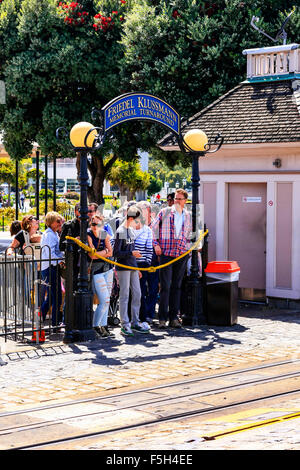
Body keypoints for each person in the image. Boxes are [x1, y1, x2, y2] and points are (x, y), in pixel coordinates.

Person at [152, 188, 192, 329]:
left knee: (177, 286)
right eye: (175, 198)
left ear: (185, 201)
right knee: (165, 287)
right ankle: (162, 318)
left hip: (181, 254)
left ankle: (174, 318)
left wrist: (190, 247)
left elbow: (190, 235)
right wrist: (156, 245)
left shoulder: (188, 216)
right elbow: (153, 229)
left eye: (179, 199)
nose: (176, 201)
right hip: (166, 253)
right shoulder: (165, 212)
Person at [112, 206, 150, 336]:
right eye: (137, 220)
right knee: (125, 295)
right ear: (131, 218)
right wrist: (131, 253)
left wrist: (137, 268)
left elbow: (131, 252)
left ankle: (135, 321)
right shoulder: (121, 230)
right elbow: (116, 252)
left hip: (132, 267)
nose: (138, 223)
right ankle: (125, 324)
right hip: (123, 267)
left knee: (137, 293)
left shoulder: (131, 231)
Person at [87, 212, 114, 338]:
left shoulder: (104, 234)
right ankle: (95, 325)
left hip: (108, 269)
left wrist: (102, 253)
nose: (94, 226)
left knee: (107, 300)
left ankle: (103, 326)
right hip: (97, 270)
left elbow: (111, 252)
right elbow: (92, 255)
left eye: (98, 224)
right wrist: (105, 252)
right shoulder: (88, 235)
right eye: (93, 223)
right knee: (104, 299)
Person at [40, 212, 64, 331]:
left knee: (51, 296)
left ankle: (41, 317)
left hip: (50, 266)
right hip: (50, 267)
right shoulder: (49, 235)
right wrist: (60, 260)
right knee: (57, 296)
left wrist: (61, 257)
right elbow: (50, 253)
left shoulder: (54, 233)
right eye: (58, 221)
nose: (60, 223)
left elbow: (55, 252)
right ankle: (55, 324)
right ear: (51, 222)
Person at [135, 201, 156, 323]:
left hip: (152, 261)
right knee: (140, 289)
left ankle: (150, 313)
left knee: (153, 288)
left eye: (143, 210)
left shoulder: (156, 223)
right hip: (138, 263)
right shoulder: (132, 225)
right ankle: (141, 315)